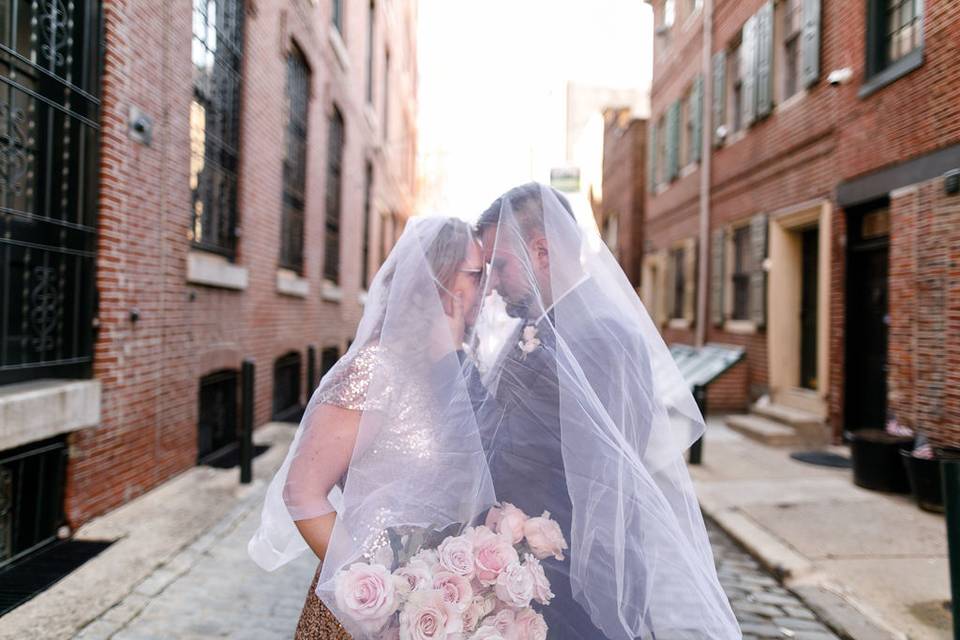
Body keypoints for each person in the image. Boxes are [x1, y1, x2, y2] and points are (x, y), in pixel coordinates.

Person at [461, 183, 741, 639]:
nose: (491, 282)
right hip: (524, 568)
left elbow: (607, 484)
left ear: (543, 252)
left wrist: (576, 585)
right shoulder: (534, 326)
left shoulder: (603, 336)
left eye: (500, 265)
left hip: (572, 581)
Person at [248, 217, 492, 639]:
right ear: (439, 281)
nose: (486, 287)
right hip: (363, 616)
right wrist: (376, 594)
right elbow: (302, 491)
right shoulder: (377, 369)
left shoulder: (446, 373)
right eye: (476, 274)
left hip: (432, 606)